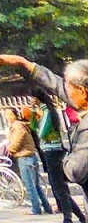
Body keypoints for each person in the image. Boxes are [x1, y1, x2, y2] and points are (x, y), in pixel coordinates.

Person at [0, 55, 88, 194]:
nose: (67, 93)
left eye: (69, 88)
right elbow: (57, 85)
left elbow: (75, 171)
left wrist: (65, 161)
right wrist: (24, 63)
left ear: (82, 92)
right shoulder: (82, 98)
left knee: (59, 189)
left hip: (51, 150)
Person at [31, 87, 87, 223]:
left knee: (59, 187)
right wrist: (33, 116)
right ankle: (79, 215)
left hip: (53, 152)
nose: (31, 101)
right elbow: (33, 128)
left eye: (32, 98)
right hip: (49, 152)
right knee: (59, 187)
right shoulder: (43, 112)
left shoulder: (46, 112)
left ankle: (68, 217)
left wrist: (35, 116)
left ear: (37, 99)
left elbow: (42, 133)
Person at [8, 106, 50, 216]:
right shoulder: (21, 125)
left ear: (15, 115)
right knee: (36, 185)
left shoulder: (17, 126)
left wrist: (10, 150)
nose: (7, 117)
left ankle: (36, 209)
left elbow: (17, 142)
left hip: (25, 157)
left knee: (30, 185)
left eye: (9, 114)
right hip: (31, 157)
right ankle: (47, 207)